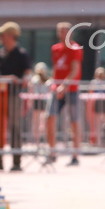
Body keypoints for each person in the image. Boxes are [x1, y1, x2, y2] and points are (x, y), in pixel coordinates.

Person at [46, 22, 84, 166]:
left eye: (64, 31)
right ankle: (52, 151)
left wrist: (64, 86)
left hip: (72, 89)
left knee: (74, 121)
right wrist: (54, 84)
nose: (61, 34)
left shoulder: (75, 48)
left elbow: (74, 70)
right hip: (57, 89)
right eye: (59, 31)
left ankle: (75, 154)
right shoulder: (55, 48)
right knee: (50, 117)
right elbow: (56, 69)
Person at [0, 22, 32, 171]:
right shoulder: (1, 54)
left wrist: (26, 78)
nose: (1, 38)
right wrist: (8, 77)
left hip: (13, 95)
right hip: (1, 95)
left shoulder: (21, 54)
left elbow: (27, 71)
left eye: (3, 35)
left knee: (15, 127)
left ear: (11, 36)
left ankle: (16, 161)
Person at [29, 62, 51, 145]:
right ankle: (37, 141)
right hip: (38, 101)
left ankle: (40, 141)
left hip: (43, 101)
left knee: (41, 122)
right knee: (37, 122)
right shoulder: (35, 79)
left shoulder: (46, 80)